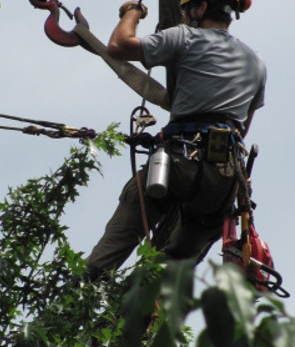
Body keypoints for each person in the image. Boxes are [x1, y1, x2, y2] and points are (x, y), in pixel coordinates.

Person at [83, 0, 266, 281]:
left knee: (128, 219)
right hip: (222, 182)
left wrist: (133, 11)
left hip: (179, 161)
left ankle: (82, 288)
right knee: (171, 273)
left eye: (188, 7)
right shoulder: (257, 64)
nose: (184, 13)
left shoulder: (184, 37)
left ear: (202, 7)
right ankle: (148, 302)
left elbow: (118, 46)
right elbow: (242, 130)